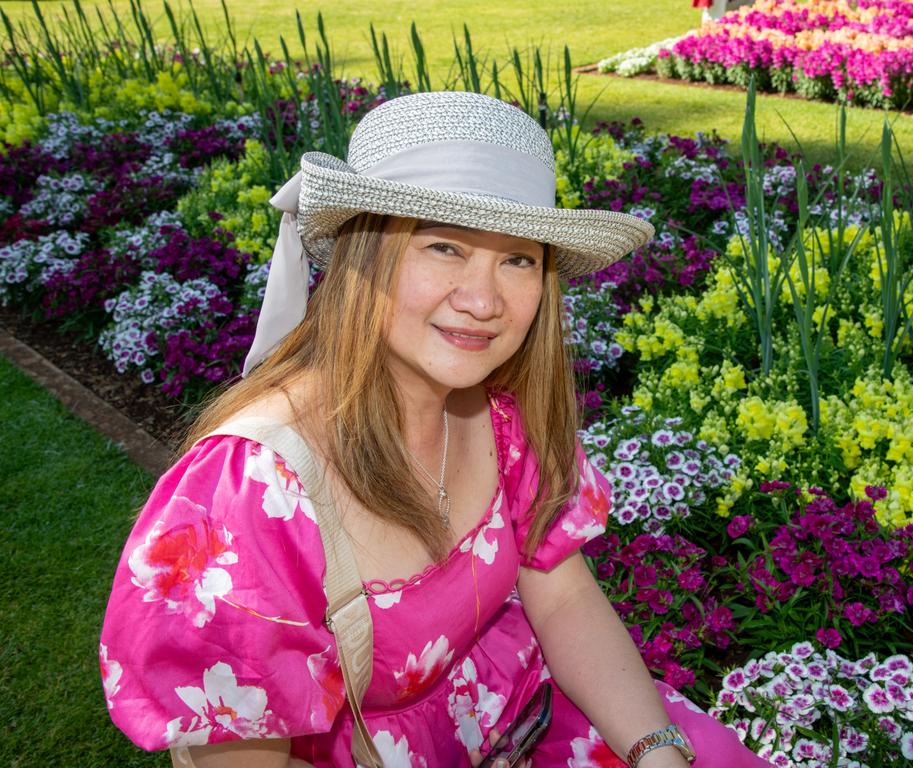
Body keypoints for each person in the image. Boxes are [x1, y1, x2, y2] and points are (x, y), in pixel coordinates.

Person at [100, 91, 768, 768]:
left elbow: (563, 598)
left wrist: (656, 752)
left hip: (524, 713)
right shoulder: (252, 491)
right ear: (365, 256)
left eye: (518, 259)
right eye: (444, 247)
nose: (484, 301)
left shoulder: (505, 418)